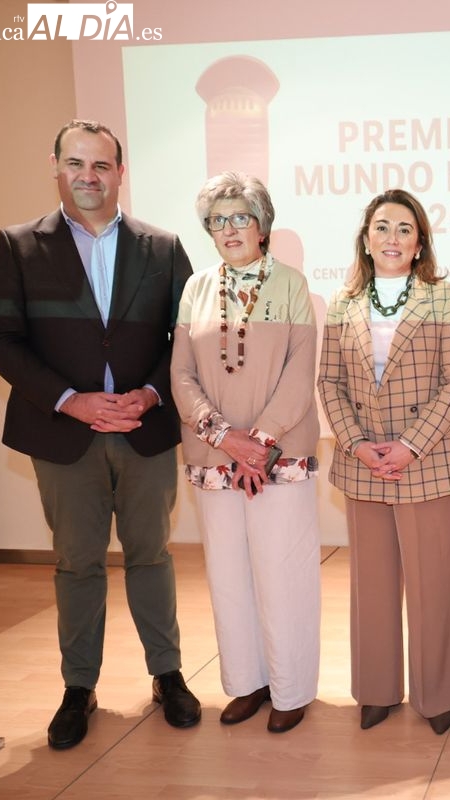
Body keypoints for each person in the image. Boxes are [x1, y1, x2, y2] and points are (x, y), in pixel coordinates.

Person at [0, 120, 200, 750]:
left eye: (101, 165)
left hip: (143, 429)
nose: (88, 176)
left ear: (119, 172)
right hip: (63, 435)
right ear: (55, 166)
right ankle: (79, 687)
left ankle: (168, 675)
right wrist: (70, 401)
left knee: (152, 557)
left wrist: (154, 393)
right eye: (76, 163)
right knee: (76, 564)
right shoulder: (19, 245)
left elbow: (188, 338)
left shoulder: (162, 246)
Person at [317, 189, 450, 736]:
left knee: (433, 585)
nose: (392, 238)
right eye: (382, 227)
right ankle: (377, 690)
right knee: (372, 585)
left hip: (428, 462)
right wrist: (355, 442)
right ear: (365, 239)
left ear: (420, 241)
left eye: (404, 229)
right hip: (363, 463)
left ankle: (437, 695)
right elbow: (328, 383)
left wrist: (410, 445)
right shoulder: (342, 303)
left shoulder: (445, 296)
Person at [170, 172, 321, 734]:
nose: (229, 229)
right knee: (228, 574)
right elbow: (181, 373)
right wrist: (222, 437)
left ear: (263, 225)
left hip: (279, 457)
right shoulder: (196, 288)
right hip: (213, 457)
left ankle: (290, 690)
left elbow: (298, 373)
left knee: (283, 574)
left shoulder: (290, 284)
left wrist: (256, 445)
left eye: (240, 217)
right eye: (217, 219)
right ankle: (247, 683)